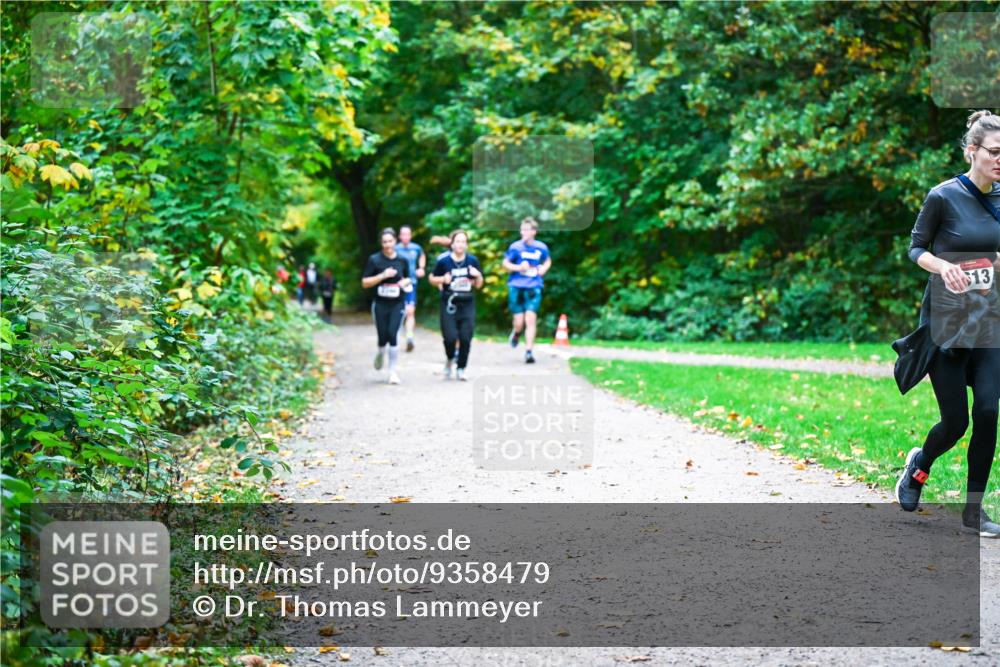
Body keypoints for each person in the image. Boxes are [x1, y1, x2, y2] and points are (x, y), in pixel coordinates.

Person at [895, 109, 1000, 536]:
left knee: (989, 411)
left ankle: (974, 511)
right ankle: (918, 466)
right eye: (995, 152)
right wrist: (943, 266)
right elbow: (915, 248)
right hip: (949, 322)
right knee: (956, 423)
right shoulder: (943, 196)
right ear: (972, 150)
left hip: (990, 320)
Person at [429, 229, 484, 380]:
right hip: (449, 302)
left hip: (467, 302)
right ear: (452, 244)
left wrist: (478, 275)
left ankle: (461, 368)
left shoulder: (472, 261)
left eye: (463, 242)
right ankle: (450, 359)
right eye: (457, 241)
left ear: (467, 245)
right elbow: (432, 278)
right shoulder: (444, 261)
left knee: (466, 337)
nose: (460, 244)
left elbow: (479, 284)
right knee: (450, 337)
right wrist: (442, 280)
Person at [362, 229, 412, 384]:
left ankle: (392, 372)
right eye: (384, 242)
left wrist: (405, 283)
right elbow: (365, 282)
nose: (388, 245)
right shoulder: (375, 260)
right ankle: (380, 351)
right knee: (383, 336)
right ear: (381, 243)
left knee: (393, 334)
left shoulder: (402, 260)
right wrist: (383, 275)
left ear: (395, 241)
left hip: (398, 304)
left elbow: (408, 279)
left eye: (390, 241)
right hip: (380, 304)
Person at [502, 217, 551, 364]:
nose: (523, 232)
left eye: (526, 230)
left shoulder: (541, 247)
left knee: (530, 319)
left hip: (534, 285)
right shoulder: (515, 247)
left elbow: (547, 260)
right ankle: (517, 333)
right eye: (522, 229)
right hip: (516, 285)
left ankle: (529, 352)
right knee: (519, 322)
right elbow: (505, 263)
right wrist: (518, 267)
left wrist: (544, 269)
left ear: (534, 232)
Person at [395, 225, 425, 352]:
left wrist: (421, 268)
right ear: (399, 236)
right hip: (397, 284)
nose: (405, 236)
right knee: (397, 311)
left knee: (410, 311)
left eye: (407, 234)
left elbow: (422, 256)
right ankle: (394, 338)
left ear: (411, 235)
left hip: (411, 283)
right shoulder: (395, 248)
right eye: (403, 234)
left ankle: (409, 337)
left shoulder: (416, 248)